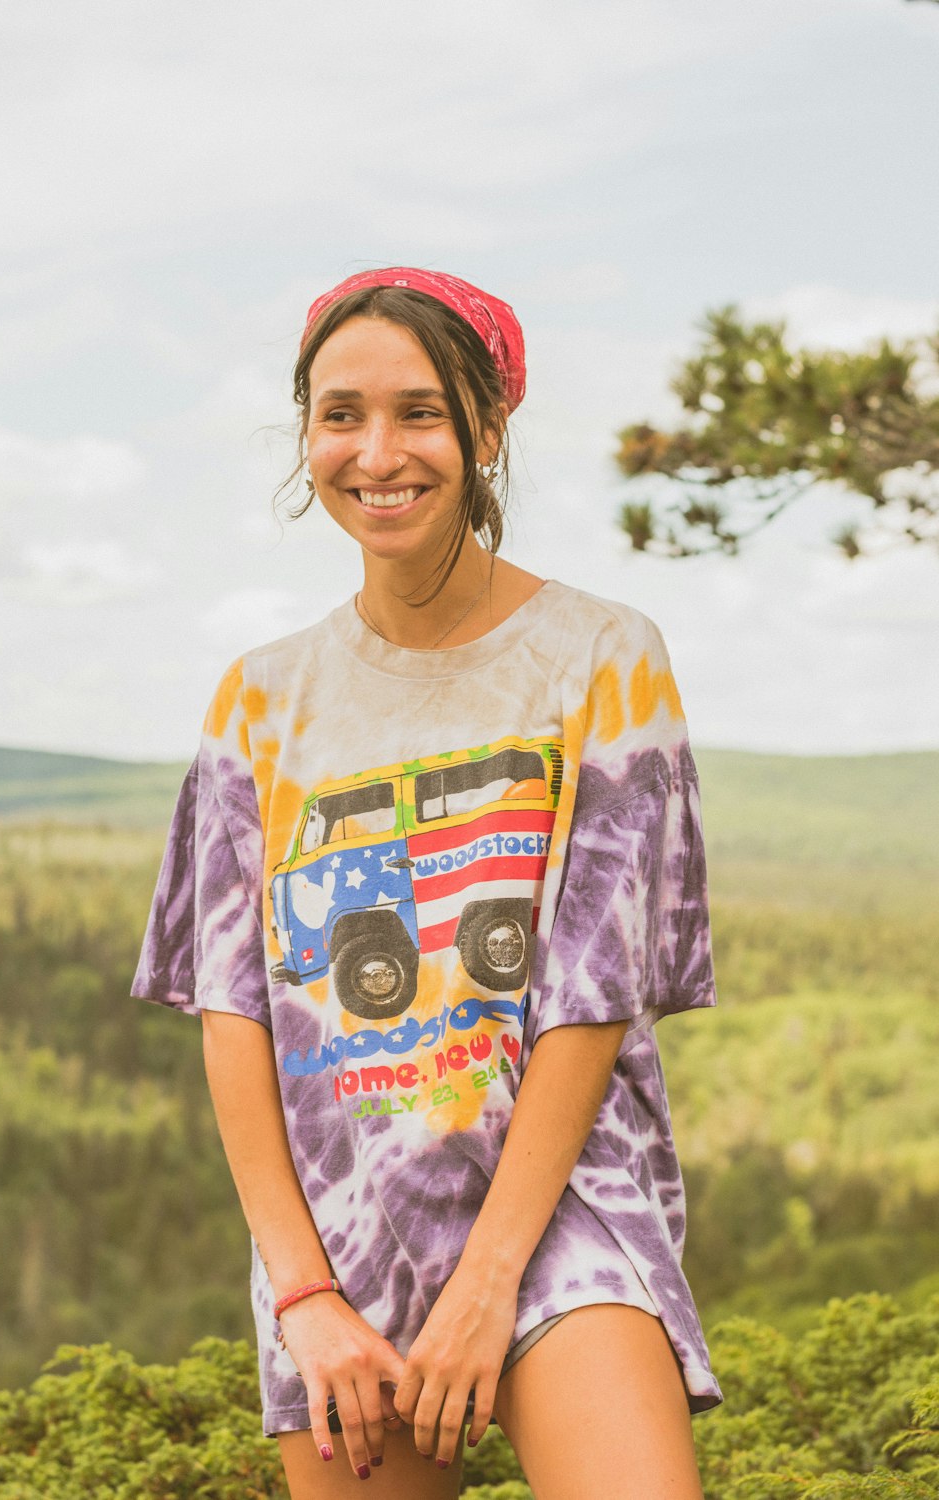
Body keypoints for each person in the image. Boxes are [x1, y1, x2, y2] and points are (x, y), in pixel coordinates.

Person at [133, 266, 721, 1499]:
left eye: (420, 411)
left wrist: (491, 1276)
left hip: (559, 1205)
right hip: (343, 1230)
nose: (377, 451)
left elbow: (591, 993)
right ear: (307, 434)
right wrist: (302, 1292)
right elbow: (233, 1010)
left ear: (487, 429)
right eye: (340, 413)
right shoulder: (259, 702)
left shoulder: (601, 659)